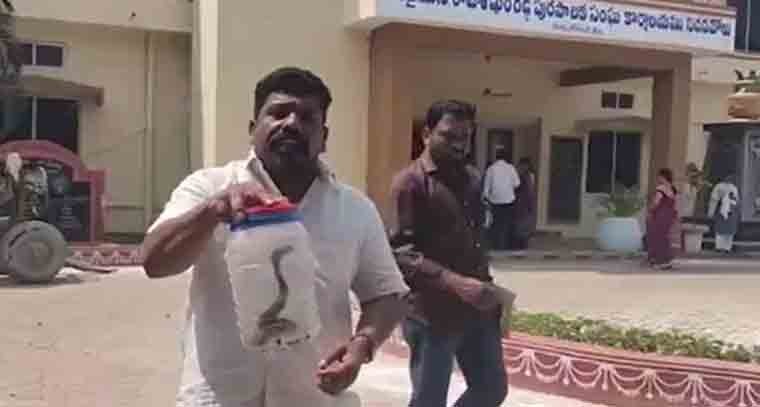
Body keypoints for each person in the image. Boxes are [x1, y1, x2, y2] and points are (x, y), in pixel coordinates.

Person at [140, 67, 409, 407]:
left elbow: (386, 294)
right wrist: (211, 212)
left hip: (314, 398)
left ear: (324, 137)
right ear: (253, 129)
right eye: (278, 113)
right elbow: (154, 262)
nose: (292, 124)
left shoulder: (355, 210)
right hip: (219, 398)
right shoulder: (208, 187)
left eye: (307, 117)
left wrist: (362, 346)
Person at [390, 100, 508, 407]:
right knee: (429, 401)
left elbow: (476, 241)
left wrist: (490, 292)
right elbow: (401, 254)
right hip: (433, 314)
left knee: (491, 390)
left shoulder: (472, 178)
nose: (458, 145)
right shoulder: (410, 183)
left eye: (464, 137)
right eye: (448, 136)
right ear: (426, 134)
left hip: (478, 310)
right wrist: (454, 282)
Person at [483, 148, 520, 250]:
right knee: (506, 224)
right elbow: (517, 184)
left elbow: (486, 189)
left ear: (496, 157)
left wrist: (486, 200)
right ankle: (504, 246)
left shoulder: (491, 169)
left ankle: (496, 246)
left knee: (495, 224)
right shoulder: (511, 168)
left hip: (495, 201)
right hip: (509, 201)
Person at [646, 168, 679, 270]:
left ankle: (659, 261)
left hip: (660, 215)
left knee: (657, 237)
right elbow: (675, 204)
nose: (658, 178)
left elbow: (656, 201)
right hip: (669, 215)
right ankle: (667, 261)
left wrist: (650, 210)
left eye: (659, 176)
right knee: (665, 238)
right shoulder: (673, 188)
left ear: (663, 176)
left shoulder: (661, 188)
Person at [708, 174, 740, 253]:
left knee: (729, 231)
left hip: (731, 210)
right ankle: (719, 247)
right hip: (721, 209)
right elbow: (714, 199)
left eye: (731, 177)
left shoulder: (734, 187)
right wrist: (711, 211)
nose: (729, 179)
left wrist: (734, 204)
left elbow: (737, 200)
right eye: (728, 177)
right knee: (720, 230)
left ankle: (727, 248)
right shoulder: (719, 186)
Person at [513, 157, 537, 250]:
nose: (520, 167)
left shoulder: (526, 176)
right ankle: (521, 244)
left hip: (523, 204)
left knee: (522, 225)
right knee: (522, 225)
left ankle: (521, 244)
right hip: (523, 204)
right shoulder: (525, 176)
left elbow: (529, 191)